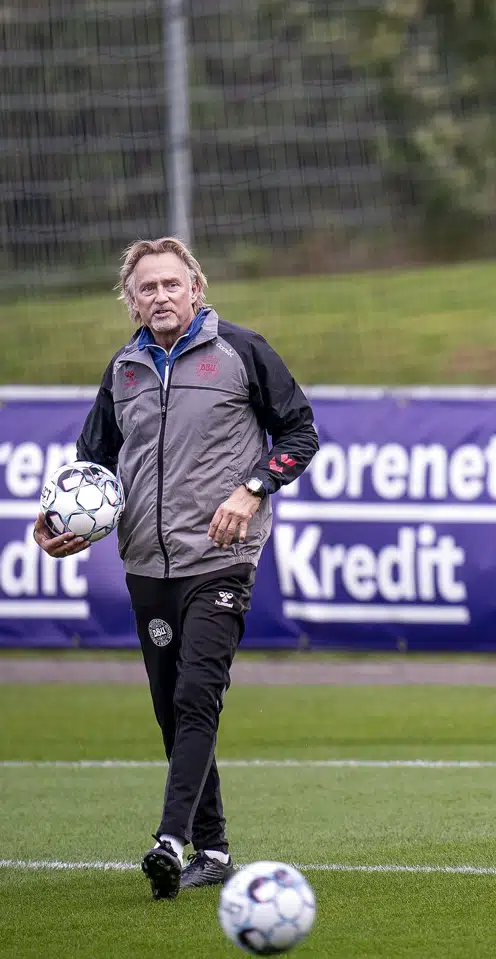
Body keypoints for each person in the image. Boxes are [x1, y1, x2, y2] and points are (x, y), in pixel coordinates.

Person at [33, 237, 320, 897]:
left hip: (221, 557)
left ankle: (169, 839)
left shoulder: (242, 350)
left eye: (171, 284)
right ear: (131, 302)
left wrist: (252, 489)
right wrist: (60, 521)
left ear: (196, 289)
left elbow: (300, 432)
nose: (160, 296)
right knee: (171, 707)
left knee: (196, 695)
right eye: (147, 288)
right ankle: (213, 850)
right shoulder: (123, 370)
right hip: (146, 562)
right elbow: (92, 463)